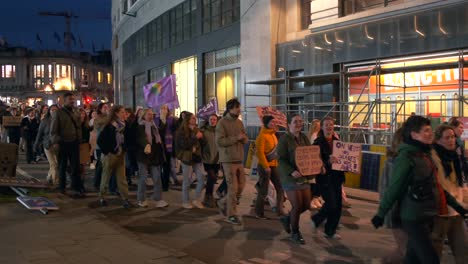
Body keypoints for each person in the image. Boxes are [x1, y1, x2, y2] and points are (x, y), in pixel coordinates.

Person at [372, 116, 468, 264]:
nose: (430, 134)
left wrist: (458, 207)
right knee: (428, 258)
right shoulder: (406, 158)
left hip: (427, 215)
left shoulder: (426, 156)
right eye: (426, 131)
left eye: (430, 130)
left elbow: (437, 187)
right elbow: (392, 189)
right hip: (414, 217)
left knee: (412, 258)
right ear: (413, 135)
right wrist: (382, 214)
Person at [431, 124, 467, 263]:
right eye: (447, 138)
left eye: (453, 137)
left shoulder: (454, 157)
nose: (451, 140)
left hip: (456, 213)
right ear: (438, 140)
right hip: (441, 213)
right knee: (435, 254)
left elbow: (458, 184)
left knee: (463, 250)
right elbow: (441, 186)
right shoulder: (434, 158)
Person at [277, 114, 314, 244]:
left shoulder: (304, 137)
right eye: (295, 121)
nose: (298, 124)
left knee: (306, 204)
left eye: (300, 121)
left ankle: (287, 219)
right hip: (290, 178)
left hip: (304, 177)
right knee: (297, 205)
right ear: (289, 124)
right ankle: (295, 232)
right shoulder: (284, 139)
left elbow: (311, 154)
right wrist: (291, 171)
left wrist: (317, 166)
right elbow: (280, 159)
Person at [311, 116, 345, 239]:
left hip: (337, 177)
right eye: (326, 125)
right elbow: (314, 162)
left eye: (331, 124)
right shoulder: (318, 142)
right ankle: (316, 219)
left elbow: (344, 158)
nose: (329, 127)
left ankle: (330, 231)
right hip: (325, 179)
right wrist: (326, 162)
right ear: (322, 127)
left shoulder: (338, 141)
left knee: (338, 206)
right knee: (331, 204)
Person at [215, 98, 248, 225]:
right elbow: (220, 141)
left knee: (242, 185)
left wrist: (244, 138)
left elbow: (244, 138)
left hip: (239, 158)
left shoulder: (239, 123)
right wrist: (236, 138)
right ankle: (231, 214)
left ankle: (223, 202)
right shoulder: (222, 123)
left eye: (239, 107)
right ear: (230, 108)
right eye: (236, 107)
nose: (239, 109)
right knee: (233, 188)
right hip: (228, 160)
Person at [379, 127, 407, 264]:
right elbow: (387, 191)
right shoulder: (393, 162)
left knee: (408, 251)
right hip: (399, 214)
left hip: (415, 214)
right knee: (406, 251)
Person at [97, 105, 132, 208]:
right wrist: (108, 151)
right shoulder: (110, 126)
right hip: (110, 156)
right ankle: (102, 197)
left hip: (120, 155)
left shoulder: (124, 125)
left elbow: (126, 139)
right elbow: (100, 140)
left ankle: (125, 199)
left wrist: (124, 148)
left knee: (122, 179)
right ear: (116, 113)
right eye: (122, 112)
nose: (124, 114)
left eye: (124, 112)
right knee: (106, 178)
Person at [50, 93, 84, 197]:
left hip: (74, 143)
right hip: (63, 143)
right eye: (70, 99)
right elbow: (53, 130)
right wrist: (57, 142)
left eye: (73, 99)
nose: (72, 101)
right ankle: (62, 187)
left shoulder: (75, 112)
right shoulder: (58, 113)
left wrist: (79, 139)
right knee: (62, 167)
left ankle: (76, 187)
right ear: (64, 101)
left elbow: (78, 127)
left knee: (76, 167)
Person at [135, 109, 168, 208]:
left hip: (154, 155)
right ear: (143, 115)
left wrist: (163, 119)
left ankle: (158, 199)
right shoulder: (140, 125)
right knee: (143, 178)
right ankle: (141, 199)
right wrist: (146, 145)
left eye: (152, 114)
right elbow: (141, 137)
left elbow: (160, 134)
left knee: (157, 178)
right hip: (143, 155)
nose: (151, 116)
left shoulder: (154, 126)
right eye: (148, 114)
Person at [254, 115, 285, 219]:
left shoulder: (273, 135)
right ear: (266, 123)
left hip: (274, 165)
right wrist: (266, 166)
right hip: (265, 167)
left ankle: (280, 210)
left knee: (280, 187)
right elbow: (260, 153)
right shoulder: (262, 136)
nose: (274, 124)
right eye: (272, 122)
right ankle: (259, 212)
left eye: (275, 122)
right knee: (264, 190)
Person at [175, 112, 206, 209]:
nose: (194, 119)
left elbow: (202, 143)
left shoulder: (197, 129)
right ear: (188, 119)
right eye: (193, 118)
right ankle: (185, 201)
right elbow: (184, 145)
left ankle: (196, 199)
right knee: (186, 181)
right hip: (187, 158)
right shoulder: (181, 131)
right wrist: (195, 137)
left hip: (197, 158)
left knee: (201, 179)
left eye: (195, 118)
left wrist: (201, 138)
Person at [34, 104, 59, 185]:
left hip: (57, 145)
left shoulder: (60, 121)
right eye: (52, 110)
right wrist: (36, 144)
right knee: (54, 164)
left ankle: (49, 177)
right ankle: (56, 182)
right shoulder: (45, 121)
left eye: (56, 110)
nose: (54, 111)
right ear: (49, 111)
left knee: (55, 164)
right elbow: (39, 133)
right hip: (48, 145)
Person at [158, 104, 181, 191]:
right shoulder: (157, 119)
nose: (163, 110)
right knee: (159, 167)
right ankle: (159, 183)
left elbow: (177, 127)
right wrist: (162, 121)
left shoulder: (172, 119)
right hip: (159, 146)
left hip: (168, 146)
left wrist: (175, 119)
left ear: (168, 111)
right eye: (162, 108)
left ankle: (165, 185)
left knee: (167, 166)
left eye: (165, 109)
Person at [200, 114, 220, 208]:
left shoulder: (220, 131)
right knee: (211, 177)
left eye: (214, 119)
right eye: (211, 119)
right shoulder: (203, 131)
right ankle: (208, 196)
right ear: (208, 120)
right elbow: (199, 144)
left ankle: (208, 197)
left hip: (217, 159)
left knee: (213, 179)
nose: (213, 121)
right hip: (207, 159)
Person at [448, 117, 468, 184]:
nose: (463, 130)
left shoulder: (459, 142)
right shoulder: (449, 144)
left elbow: (462, 160)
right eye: (460, 127)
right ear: (453, 128)